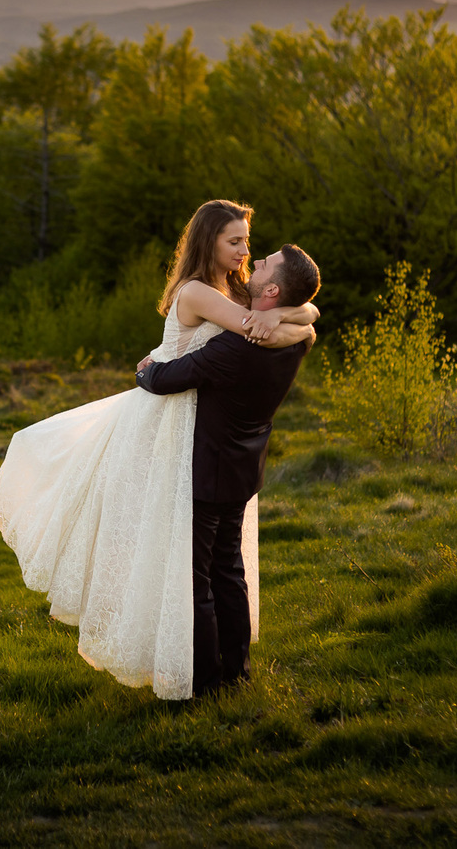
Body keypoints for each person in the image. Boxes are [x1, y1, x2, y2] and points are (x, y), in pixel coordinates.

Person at [0, 200, 317, 700]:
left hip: (195, 436)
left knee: (203, 568)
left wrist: (301, 313)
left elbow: (270, 319)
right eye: (235, 241)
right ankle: (226, 674)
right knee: (205, 563)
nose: (245, 251)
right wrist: (302, 315)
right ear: (208, 241)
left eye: (249, 244)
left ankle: (213, 681)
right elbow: (264, 321)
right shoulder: (200, 293)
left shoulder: (234, 294)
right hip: (171, 431)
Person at [136, 242, 321, 696]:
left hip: (206, 470)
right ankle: (237, 672)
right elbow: (308, 313)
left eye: (264, 265)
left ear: (272, 289)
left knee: (198, 578)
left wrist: (143, 370)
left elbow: (163, 379)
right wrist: (283, 315)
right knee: (229, 571)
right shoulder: (295, 340)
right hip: (244, 467)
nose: (253, 260)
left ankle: (206, 683)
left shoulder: (233, 350)